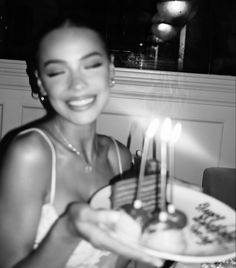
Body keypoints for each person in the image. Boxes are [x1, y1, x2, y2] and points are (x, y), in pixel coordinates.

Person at [0, 16, 163, 268]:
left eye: (91, 66)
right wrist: (67, 231)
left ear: (111, 71)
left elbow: (126, 260)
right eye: (56, 71)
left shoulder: (120, 158)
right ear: (41, 83)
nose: (77, 85)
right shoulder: (30, 154)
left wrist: (153, 215)